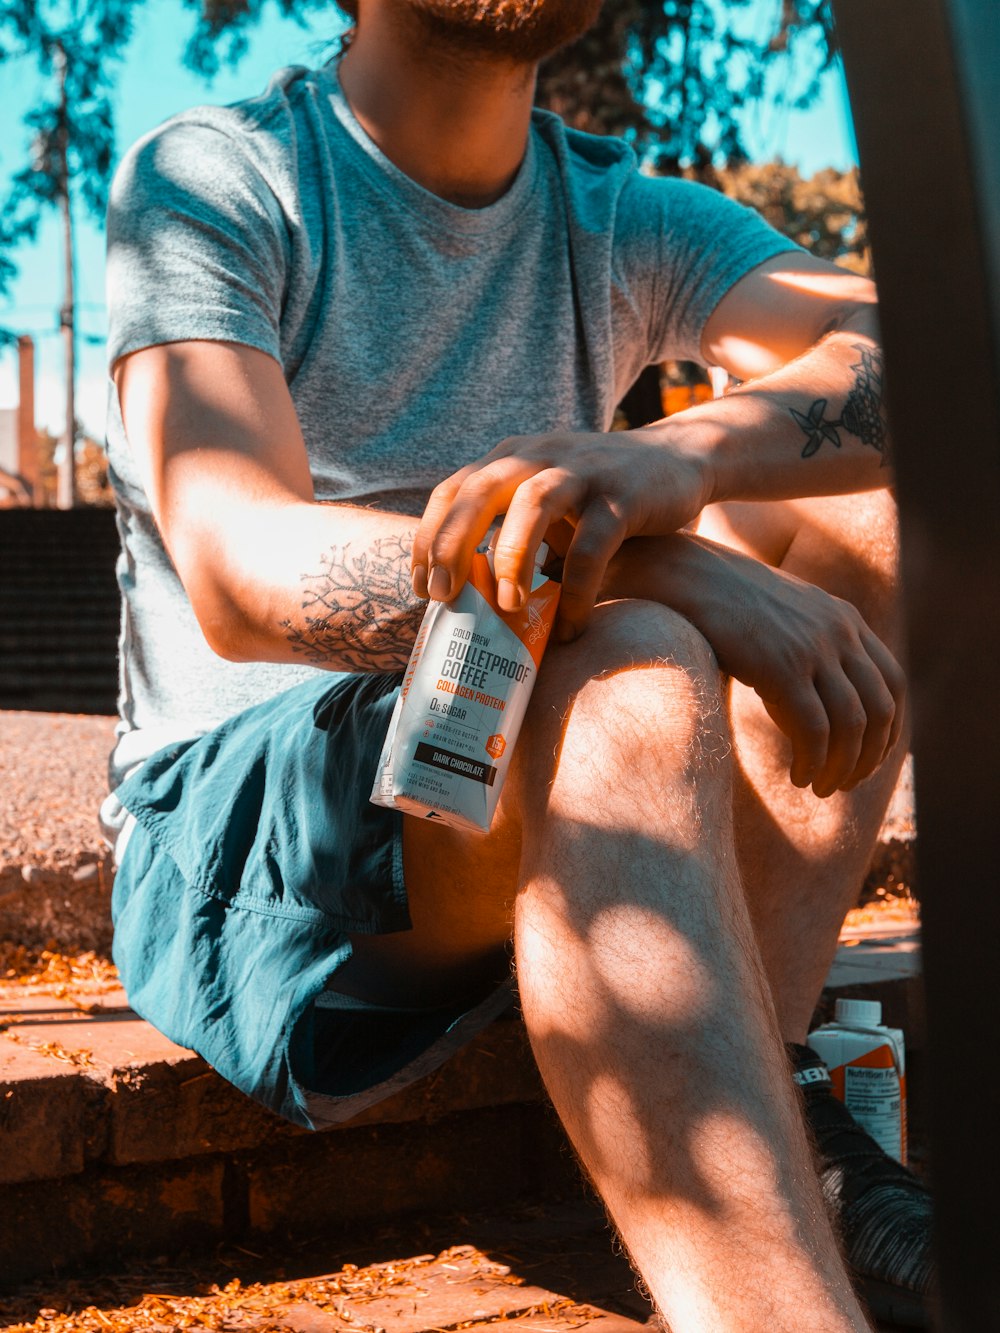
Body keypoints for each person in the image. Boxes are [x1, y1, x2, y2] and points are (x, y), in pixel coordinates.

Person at [100, 2, 932, 1328]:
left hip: (522, 796)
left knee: (876, 501)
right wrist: (649, 562)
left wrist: (676, 462)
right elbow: (237, 570)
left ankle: (747, 1096)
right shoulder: (218, 175)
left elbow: (919, 355)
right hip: (249, 859)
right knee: (635, 650)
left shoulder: (621, 211)